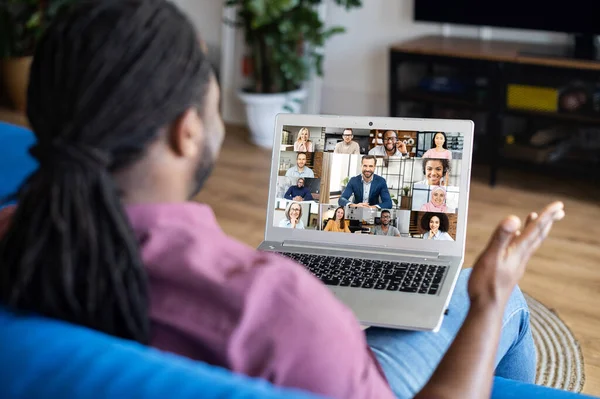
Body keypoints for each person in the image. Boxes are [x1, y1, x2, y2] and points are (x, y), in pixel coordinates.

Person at [0, 2, 566, 399]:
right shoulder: (277, 309)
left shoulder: (16, 235)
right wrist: (488, 295)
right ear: (186, 131)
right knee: (506, 302)